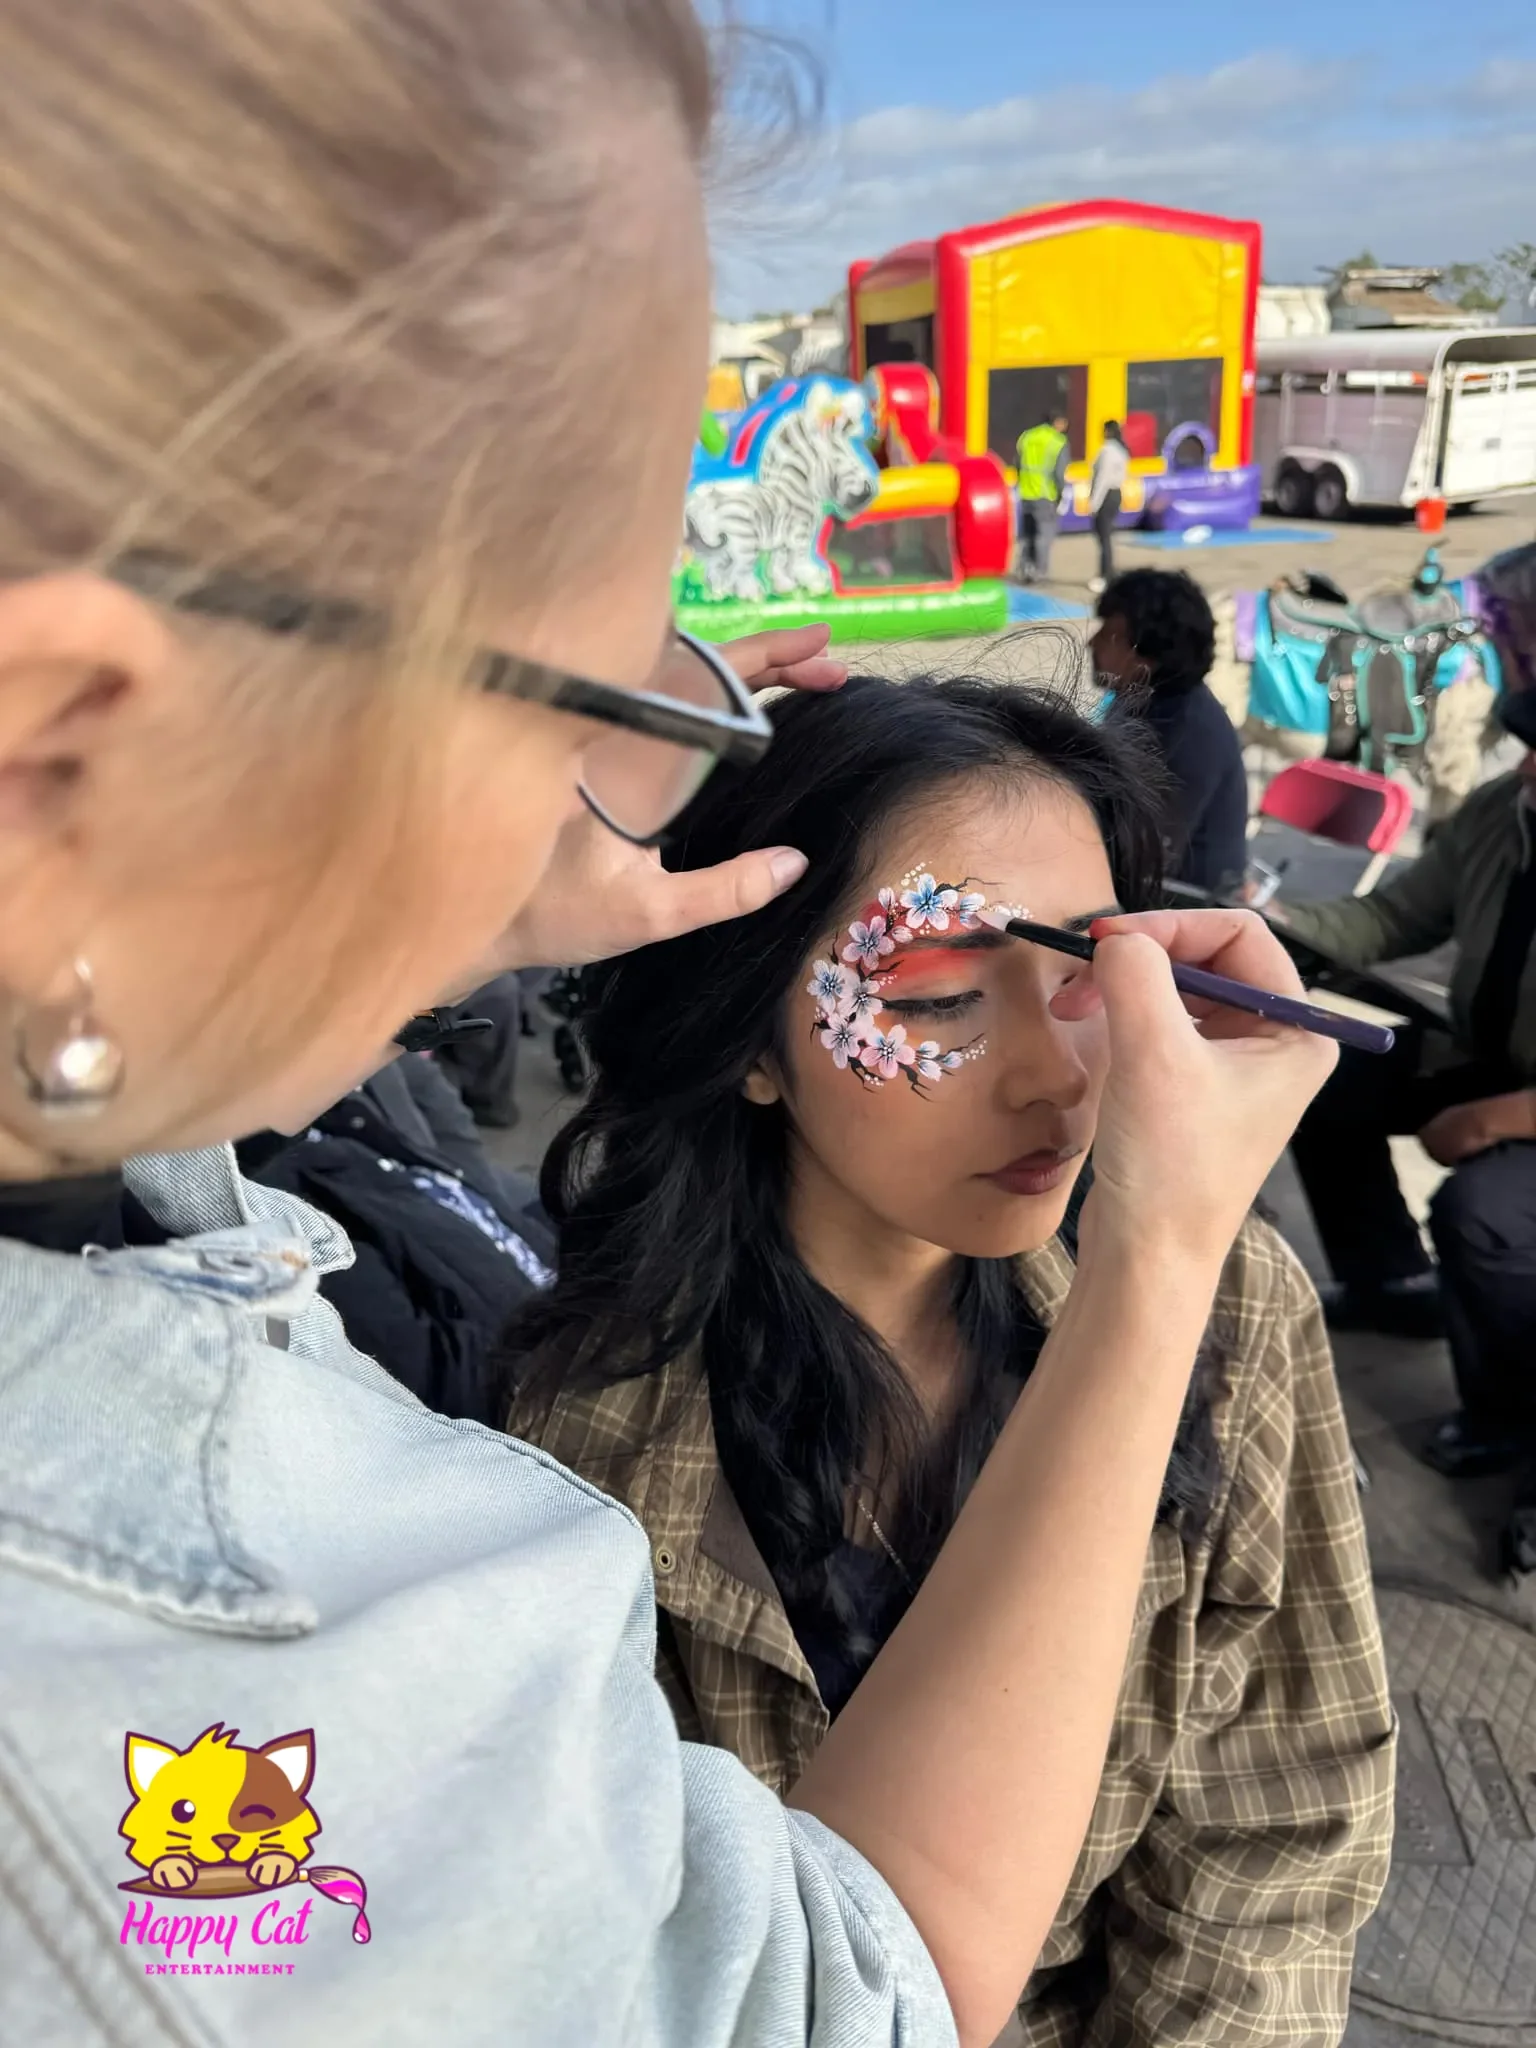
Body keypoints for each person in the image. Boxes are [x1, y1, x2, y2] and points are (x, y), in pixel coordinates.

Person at [0, 5, 1342, 2044]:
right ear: (65, 747)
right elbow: (847, 1994)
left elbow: (1284, 1839)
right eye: (582, 693)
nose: (1075, 1068)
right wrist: (1154, 1268)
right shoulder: (422, 1527)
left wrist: (364, 854)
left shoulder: (1244, 1335)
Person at [504, 674, 1395, 2048]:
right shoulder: (578, 1445)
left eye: (1092, 978)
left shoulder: (1227, 1308)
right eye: (937, 994)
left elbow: (1281, 1850)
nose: (1061, 1077)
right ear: (751, 1038)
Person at [1279, 687, 1536, 1483]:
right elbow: (1399, 917)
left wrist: (1491, 1121)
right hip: (1494, 1052)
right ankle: (1392, 1283)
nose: (1528, 766)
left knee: (1483, 1217)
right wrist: (1270, 926)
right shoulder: (1506, 811)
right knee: (1325, 1076)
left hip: (1519, 1098)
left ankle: (1510, 1421)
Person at [1093, 569, 1250, 894]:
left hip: (1189, 905)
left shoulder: (1187, 734)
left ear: (1147, 658)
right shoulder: (1140, 697)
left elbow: (1139, 859)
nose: (1091, 643)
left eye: (1110, 636)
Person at [1014, 410, 1070, 583]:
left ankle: (1024, 568)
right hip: (1045, 495)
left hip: (1025, 493)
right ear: (1058, 422)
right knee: (1043, 536)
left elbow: (1017, 463)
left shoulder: (1027, 437)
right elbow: (1059, 474)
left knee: (1027, 535)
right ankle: (1039, 572)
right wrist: (1061, 495)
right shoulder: (1058, 441)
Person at [1087, 421, 1128, 595]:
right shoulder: (1121, 450)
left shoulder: (1107, 450)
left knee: (1103, 537)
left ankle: (1105, 575)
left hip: (1106, 495)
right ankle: (1108, 572)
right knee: (1106, 536)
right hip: (1116, 493)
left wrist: (1094, 502)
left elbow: (1102, 478)